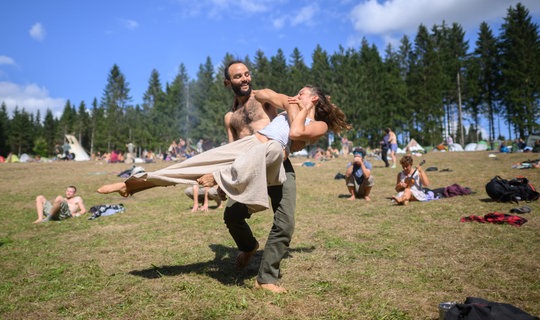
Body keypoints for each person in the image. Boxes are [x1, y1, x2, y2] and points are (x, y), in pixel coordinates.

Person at [97, 61, 351, 292]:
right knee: (198, 170)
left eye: (301, 94)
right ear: (229, 81)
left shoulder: (318, 124)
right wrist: (280, 98)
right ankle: (135, 183)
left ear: (314, 98)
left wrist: (302, 108)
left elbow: (295, 133)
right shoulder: (255, 110)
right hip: (246, 155)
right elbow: (266, 94)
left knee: (282, 207)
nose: (295, 96)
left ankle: (265, 279)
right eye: (238, 76)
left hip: (276, 165)